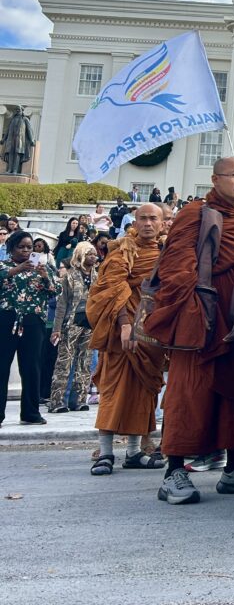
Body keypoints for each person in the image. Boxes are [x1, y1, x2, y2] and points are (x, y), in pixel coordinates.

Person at [144, 158, 234, 504]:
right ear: (215, 178)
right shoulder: (197, 212)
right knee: (188, 393)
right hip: (202, 318)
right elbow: (177, 268)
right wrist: (195, 315)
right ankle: (173, 471)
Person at [86, 204, 167, 475]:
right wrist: (124, 324)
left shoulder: (166, 251)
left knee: (144, 391)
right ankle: (106, 453)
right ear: (135, 220)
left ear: (161, 223)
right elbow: (112, 287)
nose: (147, 223)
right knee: (113, 388)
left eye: (153, 218)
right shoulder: (122, 249)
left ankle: (133, 452)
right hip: (123, 330)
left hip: (151, 330)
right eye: (142, 218)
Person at [0, 230, 60, 426]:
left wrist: (44, 276)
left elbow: (55, 291)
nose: (26, 251)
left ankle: (31, 413)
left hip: (33, 321)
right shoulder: (3, 265)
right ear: (11, 248)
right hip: (6, 319)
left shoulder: (43, 267)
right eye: (21, 247)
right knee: (1, 367)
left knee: (32, 367)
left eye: (29, 247)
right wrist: (16, 270)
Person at [49, 242, 98, 413]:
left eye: (94, 254)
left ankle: (78, 399)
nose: (93, 257)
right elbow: (62, 304)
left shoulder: (97, 276)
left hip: (90, 324)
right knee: (64, 362)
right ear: (80, 255)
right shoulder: (69, 277)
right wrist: (56, 328)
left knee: (85, 362)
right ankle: (57, 401)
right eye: (89, 253)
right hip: (71, 323)